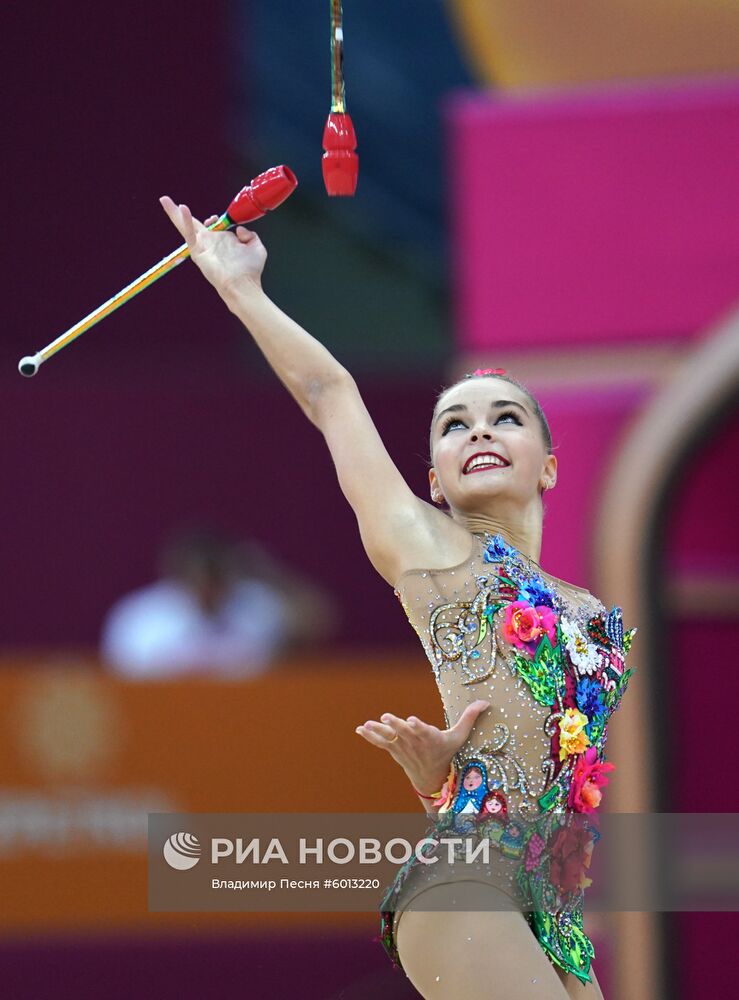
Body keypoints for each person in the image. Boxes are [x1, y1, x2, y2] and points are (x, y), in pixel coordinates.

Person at [159, 196, 635, 998]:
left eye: (505, 418)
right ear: (433, 482)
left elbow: (536, 764)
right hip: (464, 886)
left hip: (551, 913)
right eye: (453, 427)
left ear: (549, 465)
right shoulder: (428, 549)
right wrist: (241, 287)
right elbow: (329, 393)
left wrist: (436, 782)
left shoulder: (592, 610)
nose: (477, 432)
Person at [101, 527, 334, 678]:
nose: (207, 591)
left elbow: (319, 621)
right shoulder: (140, 619)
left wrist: (270, 574)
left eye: (215, 581)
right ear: (178, 576)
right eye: (198, 581)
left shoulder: (257, 606)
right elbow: (123, 687)